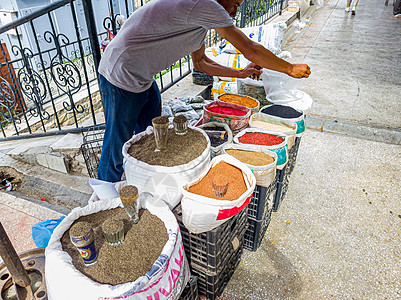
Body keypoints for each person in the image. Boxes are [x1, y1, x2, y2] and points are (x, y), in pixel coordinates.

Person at [97, 0, 311, 183]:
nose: (234, 13)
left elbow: (201, 63)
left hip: (143, 77)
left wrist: (241, 73)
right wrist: (289, 68)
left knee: (153, 137)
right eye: (235, 4)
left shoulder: (200, 17)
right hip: (121, 74)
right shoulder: (204, 4)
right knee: (116, 146)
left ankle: (143, 179)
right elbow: (250, 49)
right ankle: (105, 200)